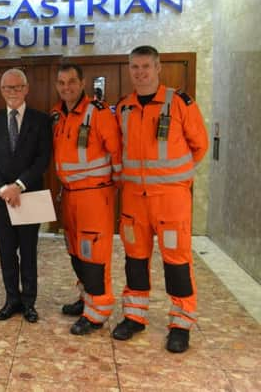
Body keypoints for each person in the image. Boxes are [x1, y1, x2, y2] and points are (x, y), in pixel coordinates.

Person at [112, 46, 208, 353]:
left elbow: (200, 145)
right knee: (135, 261)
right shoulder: (124, 107)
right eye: (134, 67)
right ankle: (135, 317)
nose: (140, 73)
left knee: (177, 263)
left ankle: (180, 324)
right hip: (133, 203)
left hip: (170, 202)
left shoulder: (179, 103)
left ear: (158, 68)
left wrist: (178, 181)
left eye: (145, 67)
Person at [50, 63, 121, 335]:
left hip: (94, 196)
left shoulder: (99, 113)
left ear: (82, 84)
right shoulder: (57, 115)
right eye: (61, 82)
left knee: (94, 255)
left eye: (71, 81)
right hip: (69, 196)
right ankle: (86, 299)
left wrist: (109, 191)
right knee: (76, 252)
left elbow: (116, 153)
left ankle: (97, 313)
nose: (66, 87)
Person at [0, 68, 51, 323]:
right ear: (1, 91)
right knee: (6, 252)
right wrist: (3, 189)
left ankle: (29, 302)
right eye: (8, 88)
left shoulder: (41, 120)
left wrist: (18, 185)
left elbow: (43, 159)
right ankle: (12, 300)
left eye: (17, 87)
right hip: (1, 200)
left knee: (29, 252)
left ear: (26, 89)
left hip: (29, 196)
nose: (13, 92)